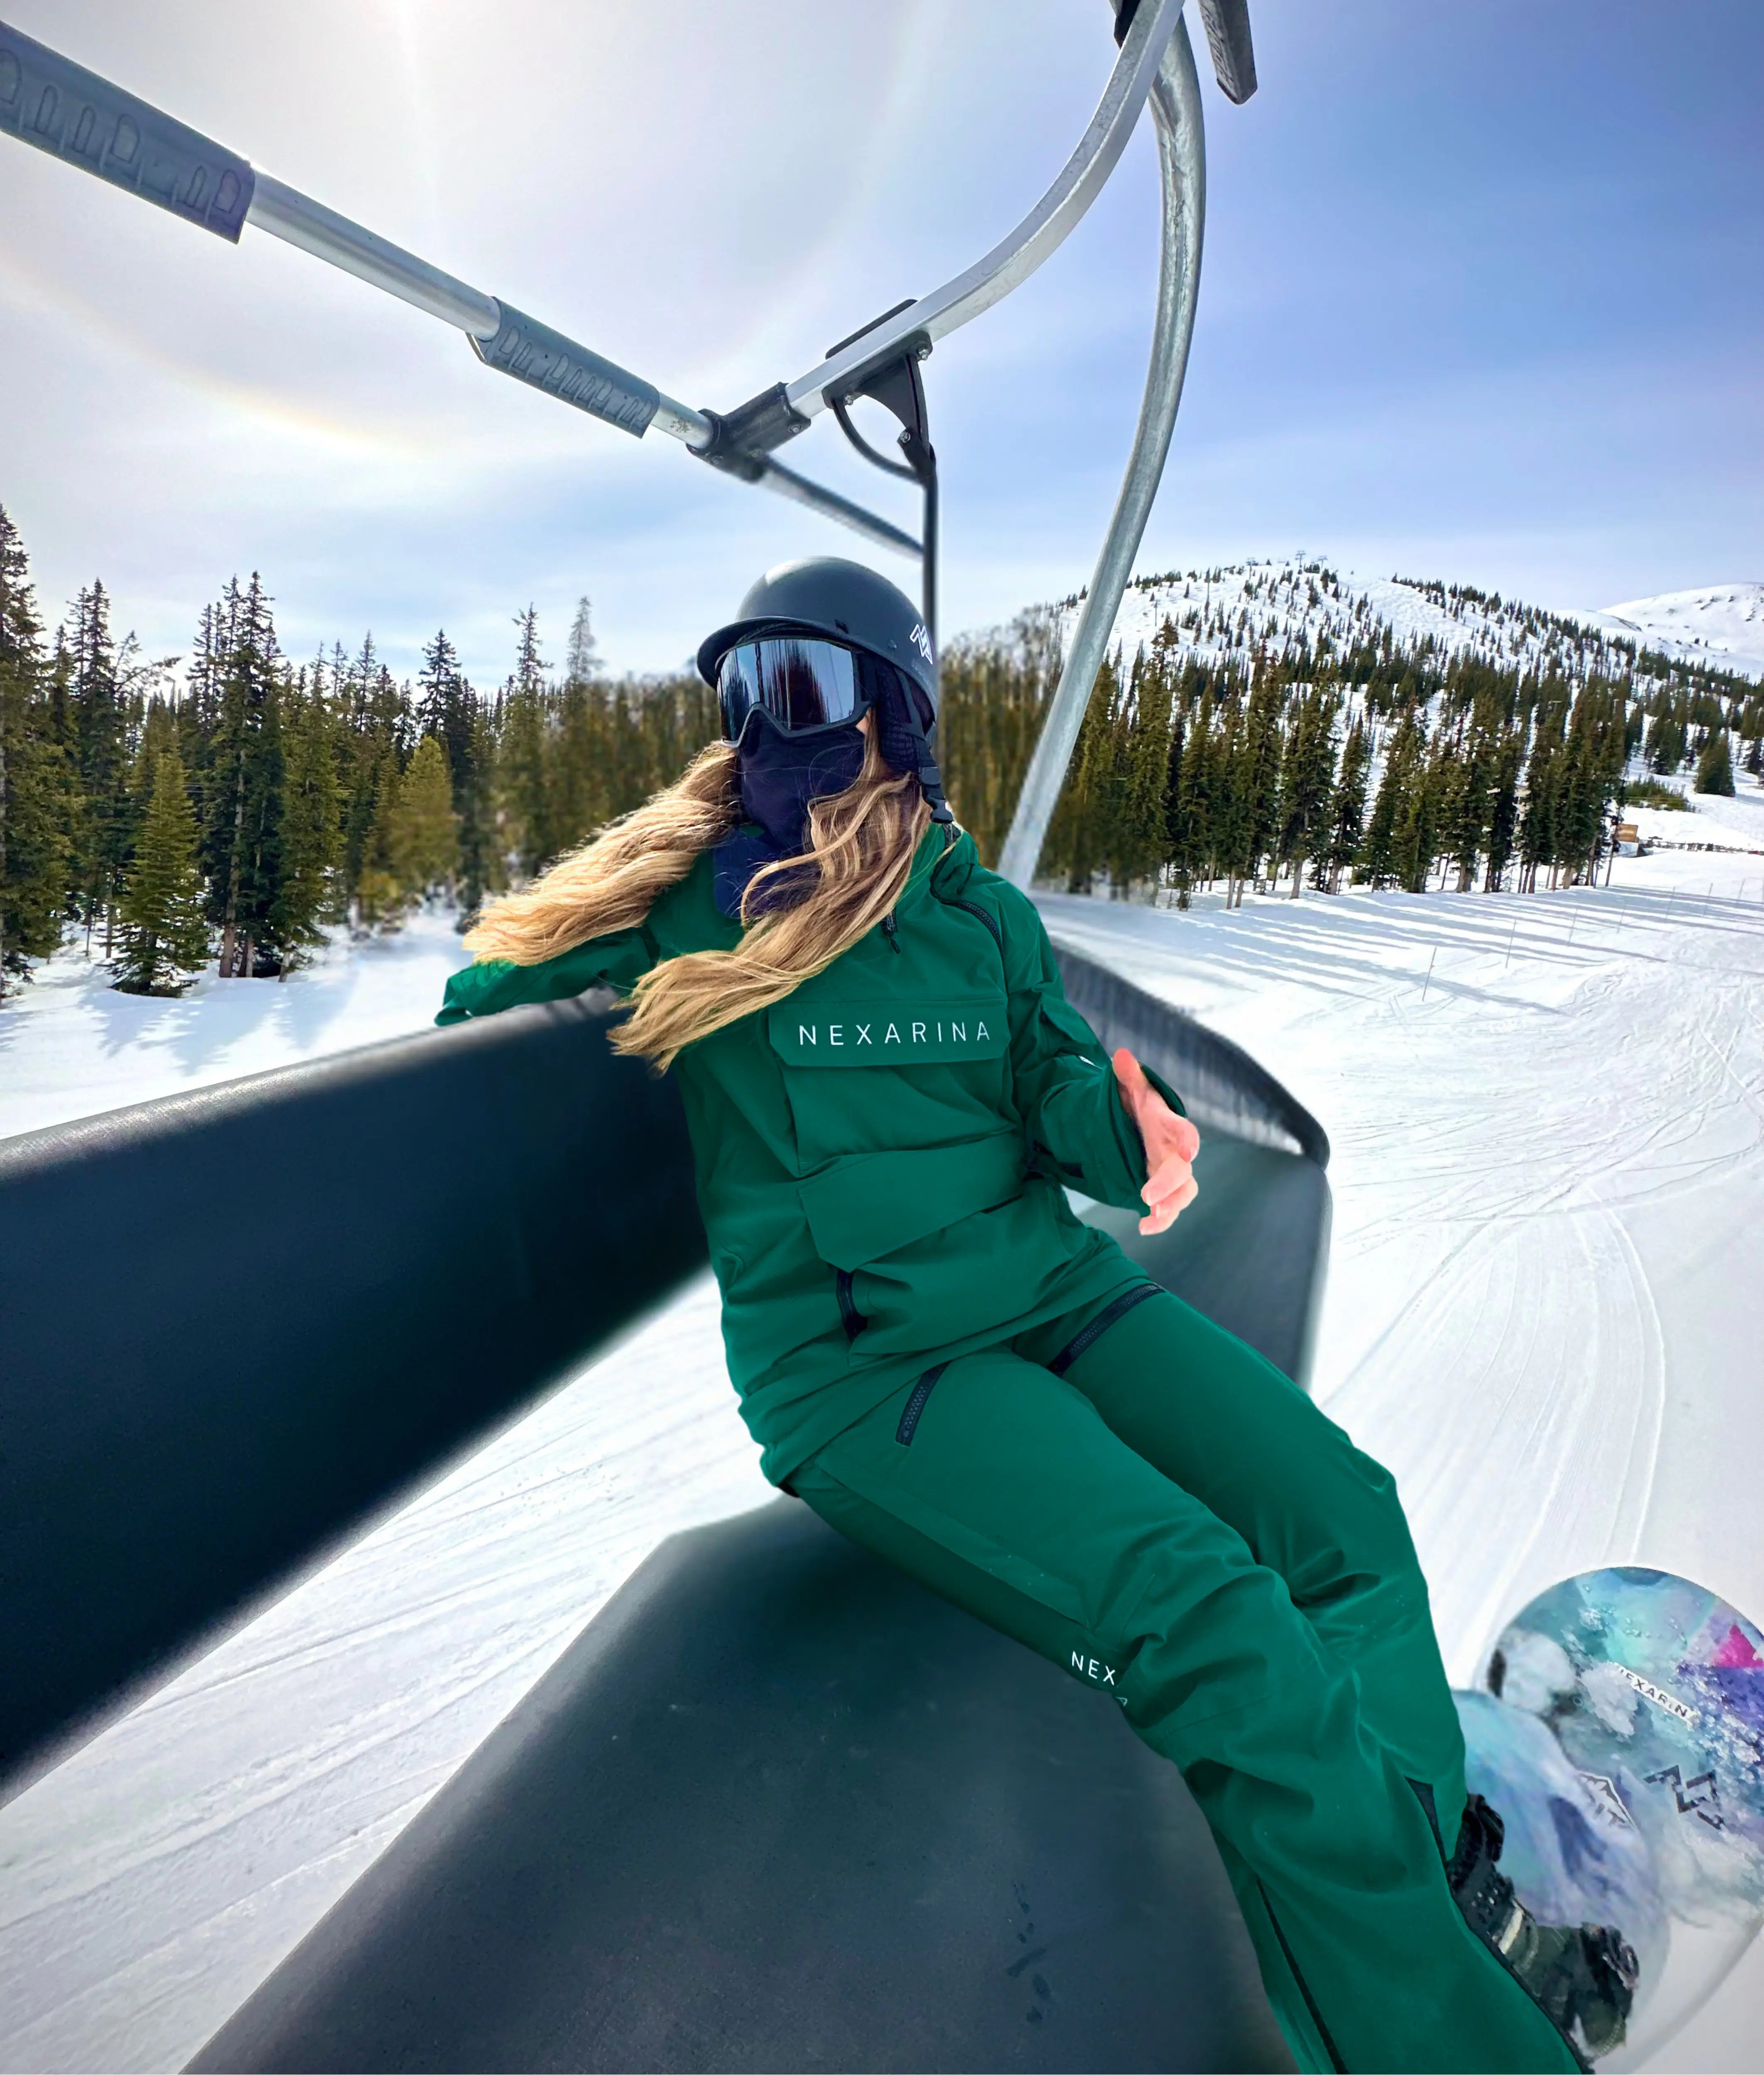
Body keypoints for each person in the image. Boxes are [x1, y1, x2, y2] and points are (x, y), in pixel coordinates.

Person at [437, 557, 1633, 2073]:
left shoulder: (977, 911)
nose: (760, 730)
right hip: (877, 1380)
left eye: (795, 686)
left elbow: (1052, 1083)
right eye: (737, 692)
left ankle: (1398, 1885)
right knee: (1221, 1627)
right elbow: (476, 1028)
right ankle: (1434, 2033)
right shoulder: (694, 905)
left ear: (894, 713)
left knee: (1343, 1514)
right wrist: (535, 1006)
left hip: (1058, 1295)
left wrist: (1127, 1135)